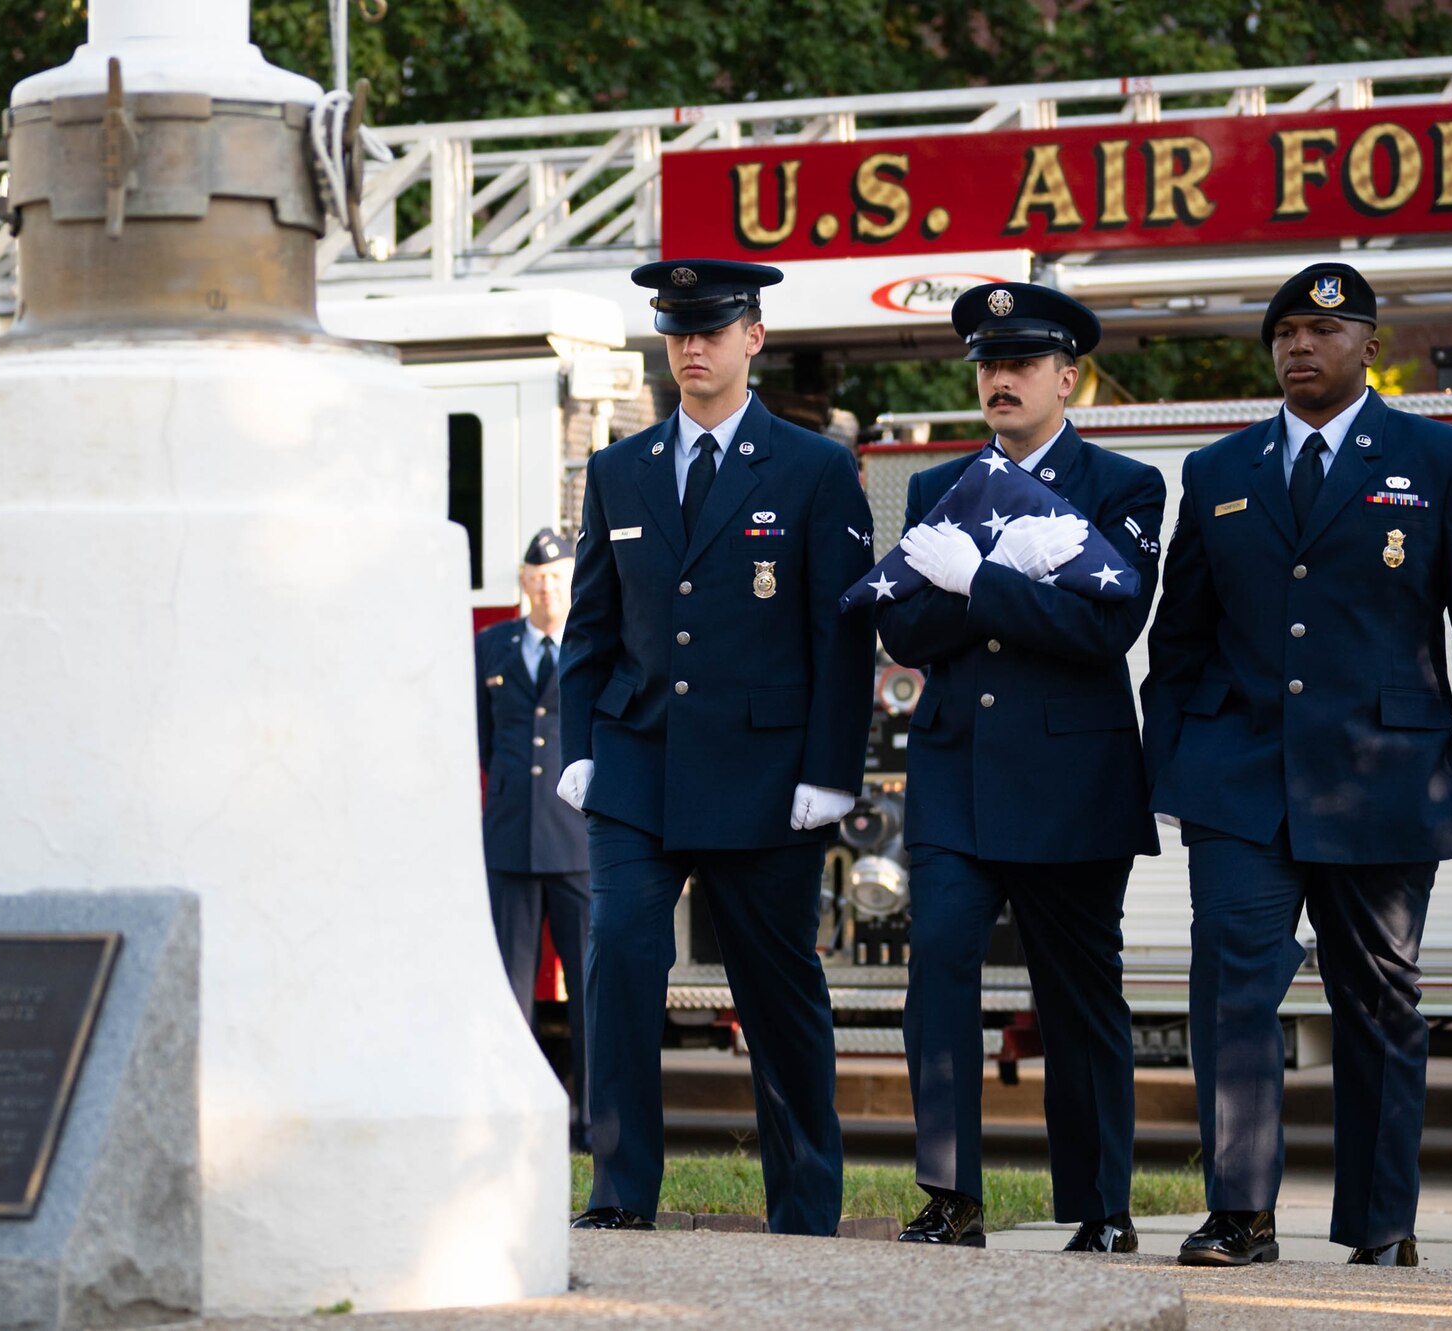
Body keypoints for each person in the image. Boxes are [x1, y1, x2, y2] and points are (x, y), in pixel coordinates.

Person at [1141, 262, 1452, 1268]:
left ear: (1369, 345)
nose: (1298, 348)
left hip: (1383, 778)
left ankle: (1377, 1222)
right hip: (1239, 781)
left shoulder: (1440, 458)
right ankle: (1238, 1213)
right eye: (1282, 334)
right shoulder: (1220, 471)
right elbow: (1178, 638)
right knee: (1229, 996)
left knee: (1379, 1003)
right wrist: (1172, 768)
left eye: (1322, 331)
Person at [557, 258, 875, 1235]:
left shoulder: (814, 467)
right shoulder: (619, 469)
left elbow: (842, 632)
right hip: (638, 765)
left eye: (713, 327)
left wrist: (831, 771)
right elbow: (591, 627)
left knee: (777, 993)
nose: (691, 346)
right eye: (676, 330)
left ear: (753, 339)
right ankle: (618, 1192)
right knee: (614, 958)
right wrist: (580, 742)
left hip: (764, 778)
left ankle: (804, 1204)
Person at [875, 282, 1165, 1252]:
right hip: (956, 777)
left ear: (1065, 375)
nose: (998, 378)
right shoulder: (934, 490)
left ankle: (1099, 1207)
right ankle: (950, 1193)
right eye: (987, 364)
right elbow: (902, 621)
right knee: (939, 972)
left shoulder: (1121, 486)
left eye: (1020, 363)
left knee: (1079, 999)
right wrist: (995, 588)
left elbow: (1103, 628)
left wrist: (978, 580)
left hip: (1070, 787)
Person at [474, 528, 592, 1148]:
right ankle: (514, 1114)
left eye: (556, 577)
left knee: (588, 988)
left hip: (575, 837)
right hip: (512, 837)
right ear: (523, 583)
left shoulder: (594, 638)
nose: (545, 587)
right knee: (511, 988)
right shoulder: (491, 647)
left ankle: (594, 1119)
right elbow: (484, 739)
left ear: (572, 580)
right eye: (535, 578)